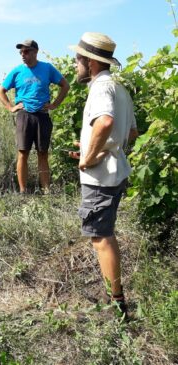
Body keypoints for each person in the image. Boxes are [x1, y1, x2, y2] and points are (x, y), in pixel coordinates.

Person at [69, 32, 139, 318]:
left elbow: (106, 122)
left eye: (77, 60)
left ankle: (117, 302)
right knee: (104, 234)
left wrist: (88, 157)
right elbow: (130, 132)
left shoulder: (100, 88)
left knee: (101, 237)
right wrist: (90, 146)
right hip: (116, 171)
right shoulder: (119, 89)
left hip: (100, 178)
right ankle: (115, 295)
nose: (75, 65)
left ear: (91, 62)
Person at [0, 39, 69, 194]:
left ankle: (46, 191)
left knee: (43, 153)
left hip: (42, 115)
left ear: (35, 51)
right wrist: (11, 107)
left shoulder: (47, 68)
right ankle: (23, 191)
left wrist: (54, 104)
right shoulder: (17, 71)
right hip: (24, 115)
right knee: (23, 152)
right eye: (21, 52)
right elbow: (1, 90)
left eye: (27, 51)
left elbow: (65, 85)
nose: (23, 55)